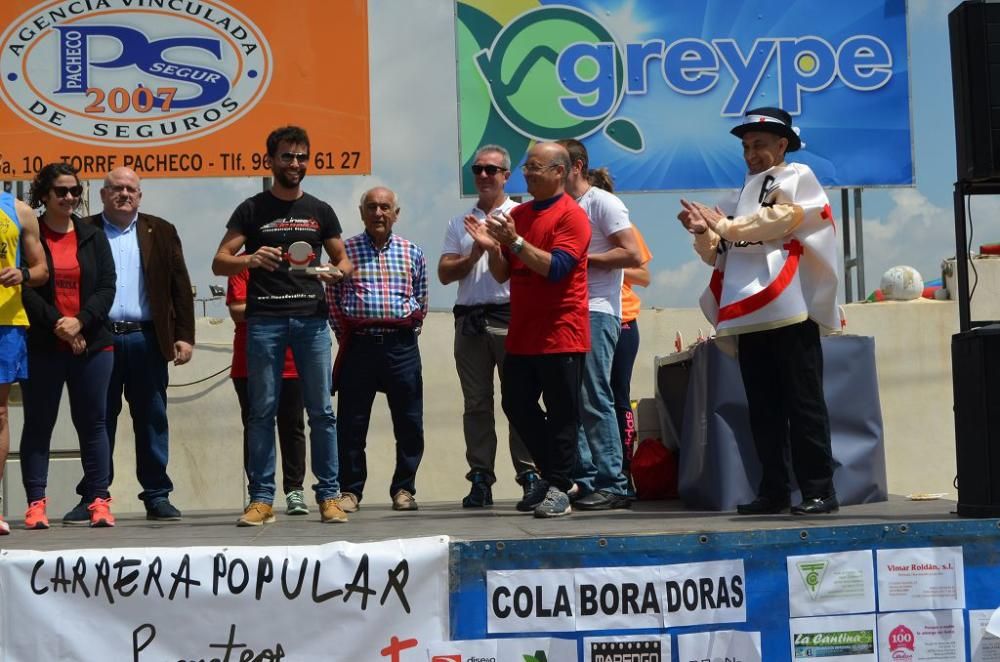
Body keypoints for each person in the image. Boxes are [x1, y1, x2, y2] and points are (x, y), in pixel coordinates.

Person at [677, 106, 840, 516]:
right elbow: (720, 255)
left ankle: (820, 490)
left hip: (789, 307)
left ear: (782, 145)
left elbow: (785, 219)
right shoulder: (737, 196)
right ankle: (774, 490)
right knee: (763, 408)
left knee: (803, 404)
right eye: (747, 146)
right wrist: (704, 232)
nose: (751, 153)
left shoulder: (797, 177)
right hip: (749, 313)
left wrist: (726, 226)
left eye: (760, 145)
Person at [212, 125, 353, 527]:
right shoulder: (251, 209)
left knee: (322, 412)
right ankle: (261, 499)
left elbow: (343, 262)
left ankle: (328, 496)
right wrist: (250, 260)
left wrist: (334, 273)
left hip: (311, 322)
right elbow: (220, 260)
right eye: (288, 157)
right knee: (261, 412)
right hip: (264, 324)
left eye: (301, 157)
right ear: (269, 161)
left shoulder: (321, 210)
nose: (295, 164)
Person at [465, 141, 591, 518]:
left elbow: (556, 269)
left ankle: (557, 486)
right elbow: (505, 273)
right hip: (523, 331)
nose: (527, 173)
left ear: (560, 171)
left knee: (562, 412)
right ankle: (560, 479)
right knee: (515, 404)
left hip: (561, 332)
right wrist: (492, 248)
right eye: (526, 166)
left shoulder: (573, 216)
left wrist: (515, 242)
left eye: (536, 167)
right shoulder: (517, 213)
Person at [75, 167, 194, 523]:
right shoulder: (85, 231)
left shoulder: (162, 230)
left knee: (152, 418)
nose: (124, 195)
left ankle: (157, 495)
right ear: (102, 194)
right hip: (99, 338)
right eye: (116, 189)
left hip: (147, 338)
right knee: (97, 420)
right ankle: (94, 496)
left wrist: (184, 336)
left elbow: (179, 286)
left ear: (140, 195)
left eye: (131, 189)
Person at [439, 145, 539, 508]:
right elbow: (445, 273)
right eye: (478, 169)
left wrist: (495, 248)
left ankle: (529, 474)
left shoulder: (521, 215)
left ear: (506, 176)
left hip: (510, 315)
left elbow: (522, 267)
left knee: (519, 399)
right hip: (469, 319)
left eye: (491, 170)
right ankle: (480, 476)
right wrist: (475, 253)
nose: (483, 175)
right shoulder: (459, 221)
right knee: (476, 403)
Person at [19, 164, 116, 529]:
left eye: (74, 191)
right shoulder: (31, 233)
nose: (69, 198)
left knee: (94, 424)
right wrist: (59, 325)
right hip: (44, 344)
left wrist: (81, 322)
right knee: (39, 424)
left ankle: (99, 500)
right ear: (44, 195)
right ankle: (36, 504)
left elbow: (107, 286)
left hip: (93, 345)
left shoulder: (93, 235)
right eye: (61, 191)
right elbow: (24, 286)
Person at [328, 187, 427, 513]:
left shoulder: (412, 252)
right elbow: (333, 300)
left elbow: (420, 300)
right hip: (360, 346)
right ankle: (351, 491)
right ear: (362, 212)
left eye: (385, 207)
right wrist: (350, 336)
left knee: (410, 421)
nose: (378, 213)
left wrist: (406, 333)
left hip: (401, 346)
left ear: (395, 213)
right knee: (351, 423)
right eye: (372, 207)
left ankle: (404, 489)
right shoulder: (346, 252)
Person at [557, 139, 641, 511]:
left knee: (595, 397)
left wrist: (580, 260)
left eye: (556, 165)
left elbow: (632, 253)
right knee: (569, 400)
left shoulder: (603, 203)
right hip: (565, 313)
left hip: (597, 309)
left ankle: (614, 482)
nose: (548, 172)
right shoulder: (560, 207)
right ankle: (586, 479)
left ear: (575, 166)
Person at [227, 261, 309, 516]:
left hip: (292, 361)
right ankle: (258, 493)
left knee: (293, 426)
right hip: (249, 362)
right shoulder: (242, 262)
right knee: (255, 426)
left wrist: (264, 305)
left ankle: (295, 490)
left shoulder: (299, 261)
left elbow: (308, 304)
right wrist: (280, 303)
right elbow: (237, 309)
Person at [588, 167, 653, 484]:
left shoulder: (624, 228)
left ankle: (623, 467)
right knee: (591, 395)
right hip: (590, 318)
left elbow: (644, 275)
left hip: (623, 318)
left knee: (617, 394)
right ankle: (595, 466)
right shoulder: (582, 227)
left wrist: (613, 265)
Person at [0, 187, 48, 535]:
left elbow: (41, 268)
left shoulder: (19, 210)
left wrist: (23, 275)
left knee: (0, 412)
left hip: (6, 321)